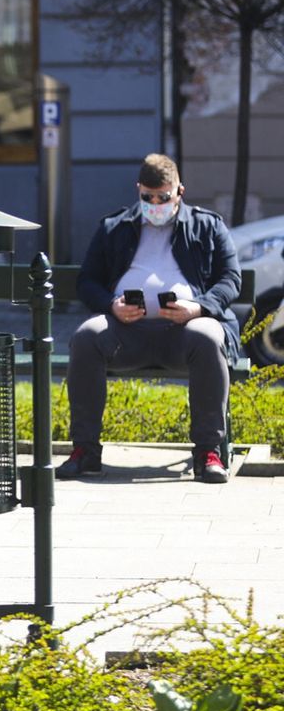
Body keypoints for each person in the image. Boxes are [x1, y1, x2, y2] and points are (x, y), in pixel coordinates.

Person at [57, 153, 241, 484]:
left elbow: (230, 278)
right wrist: (112, 306)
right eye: (147, 197)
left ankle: (209, 452)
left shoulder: (207, 225)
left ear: (179, 191)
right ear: (138, 190)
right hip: (127, 335)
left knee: (209, 336)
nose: (155, 204)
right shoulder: (115, 227)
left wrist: (197, 308)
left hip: (183, 333)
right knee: (86, 336)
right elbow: (88, 281)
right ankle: (85, 451)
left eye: (163, 197)